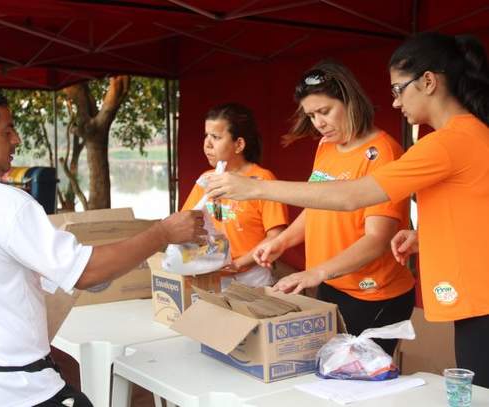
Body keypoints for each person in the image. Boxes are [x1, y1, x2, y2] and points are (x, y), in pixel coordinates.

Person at [0, 80, 205, 407]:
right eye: (7, 130)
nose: (16, 139)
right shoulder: (5, 204)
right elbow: (86, 272)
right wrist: (162, 234)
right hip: (12, 392)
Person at [206, 32, 489, 387]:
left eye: (399, 89)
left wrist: (256, 187)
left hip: (464, 297)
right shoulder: (467, 135)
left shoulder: (443, 143)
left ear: (429, 81)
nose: (396, 102)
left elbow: (353, 196)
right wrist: (425, 236)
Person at [251, 61, 415, 355]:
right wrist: (282, 241)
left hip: (372, 293)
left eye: (324, 111)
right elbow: (318, 206)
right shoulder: (326, 146)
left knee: (357, 377)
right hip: (330, 282)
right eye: (311, 115)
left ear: (350, 100)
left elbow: (377, 239)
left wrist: (316, 273)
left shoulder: (383, 153)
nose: (319, 123)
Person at [181, 103, 288, 289]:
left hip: (253, 277)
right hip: (212, 273)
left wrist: (239, 264)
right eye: (206, 135)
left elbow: (276, 236)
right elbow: (186, 221)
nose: (207, 144)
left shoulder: (262, 180)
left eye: (216, 137)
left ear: (239, 144)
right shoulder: (206, 179)